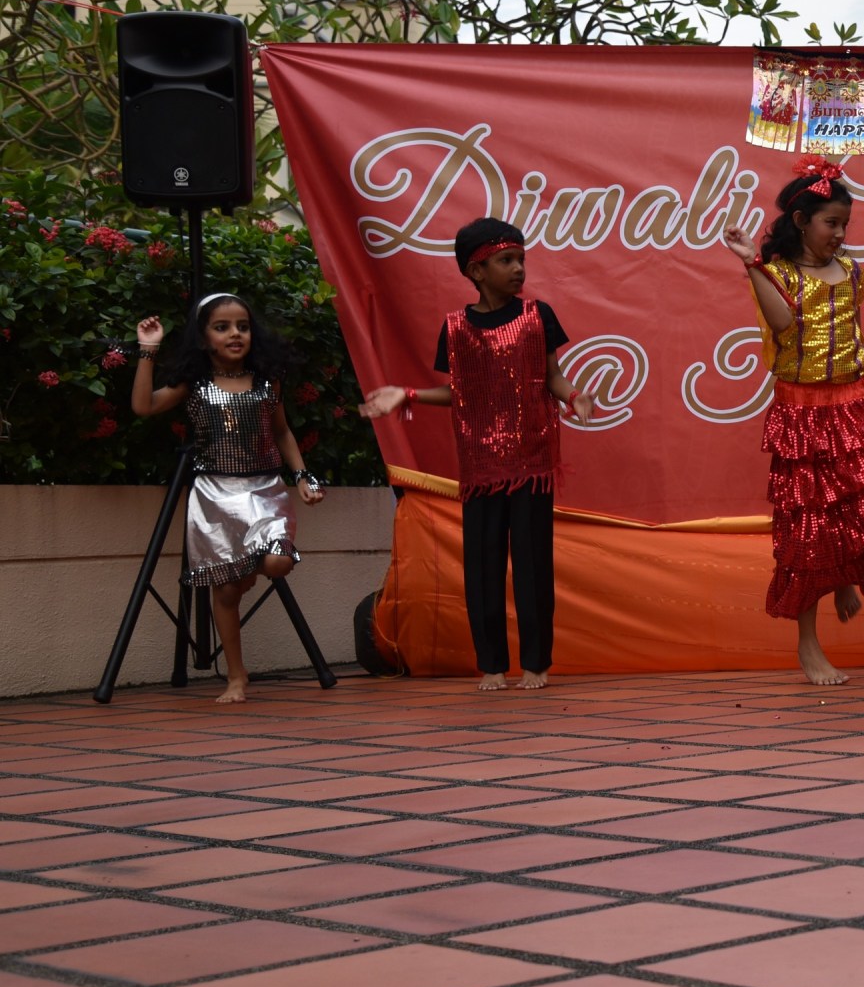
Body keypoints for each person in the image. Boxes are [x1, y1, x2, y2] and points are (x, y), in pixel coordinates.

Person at [362, 219, 595, 691]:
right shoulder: (455, 328)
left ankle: (536, 663)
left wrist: (574, 396)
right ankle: (492, 665)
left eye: (521, 259)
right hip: (481, 466)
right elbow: (459, 393)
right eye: (506, 261)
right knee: (483, 566)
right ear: (476, 270)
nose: (518, 269)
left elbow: (552, 375)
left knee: (532, 565)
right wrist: (407, 394)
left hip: (531, 463)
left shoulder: (538, 316)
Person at [721, 155, 864, 686]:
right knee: (807, 526)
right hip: (803, 412)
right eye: (831, 223)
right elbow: (783, 324)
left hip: (853, 403)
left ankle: (844, 578)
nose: (840, 234)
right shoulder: (777, 273)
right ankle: (808, 642)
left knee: (856, 507)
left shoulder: (852, 272)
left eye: (845, 224)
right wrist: (751, 263)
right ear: (801, 222)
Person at [131, 293, 323, 704]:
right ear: (204, 339)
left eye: (243, 326)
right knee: (225, 593)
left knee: (279, 561)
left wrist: (302, 475)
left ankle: (246, 569)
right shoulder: (194, 385)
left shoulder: (268, 382)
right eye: (222, 327)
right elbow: (143, 406)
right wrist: (148, 351)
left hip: (266, 490)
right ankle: (236, 676)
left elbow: (282, 432)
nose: (235, 334)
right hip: (215, 498)